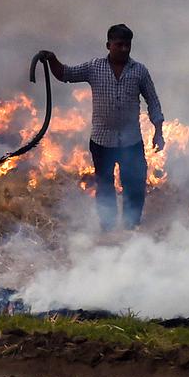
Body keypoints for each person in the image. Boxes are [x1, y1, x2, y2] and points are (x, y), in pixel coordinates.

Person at [37, 24, 164, 231]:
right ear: (108, 45)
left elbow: (153, 102)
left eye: (127, 45)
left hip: (131, 141)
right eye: (119, 44)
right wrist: (51, 59)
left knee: (134, 184)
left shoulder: (139, 71)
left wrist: (158, 132)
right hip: (102, 141)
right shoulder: (94, 67)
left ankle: (131, 225)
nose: (124, 49)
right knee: (105, 186)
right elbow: (65, 74)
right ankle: (108, 226)